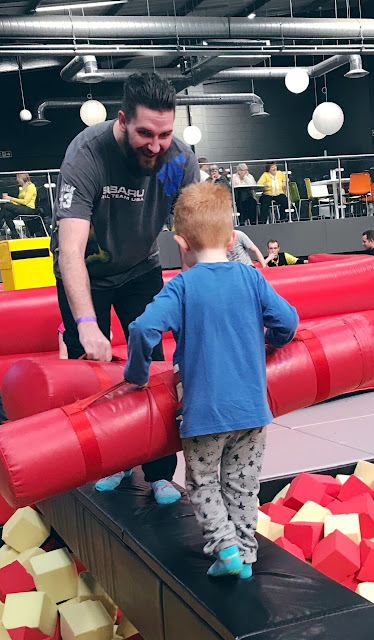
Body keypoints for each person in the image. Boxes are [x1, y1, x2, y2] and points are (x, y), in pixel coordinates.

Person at [124, 181, 298, 579]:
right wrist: (271, 342)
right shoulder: (252, 278)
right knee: (243, 485)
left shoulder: (182, 287)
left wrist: (135, 375)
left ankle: (226, 549)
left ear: (180, 242)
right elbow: (287, 320)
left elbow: (142, 330)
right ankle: (247, 555)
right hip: (253, 411)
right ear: (233, 236)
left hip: (204, 415)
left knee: (204, 484)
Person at [51, 71, 200, 503]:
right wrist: (85, 323)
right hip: (88, 275)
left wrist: (202, 298)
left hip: (139, 270)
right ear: (122, 121)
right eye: (145, 134)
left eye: (165, 133)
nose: (156, 145)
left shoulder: (175, 161)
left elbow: (190, 240)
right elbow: (71, 252)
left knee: (151, 368)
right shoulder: (88, 155)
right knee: (95, 375)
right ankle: (110, 462)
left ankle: (157, 471)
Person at [1, 173, 37, 239]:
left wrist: (11, 198)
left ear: (21, 178)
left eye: (17, 178)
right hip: (22, 207)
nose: (17, 180)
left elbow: (25, 202)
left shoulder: (31, 187)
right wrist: (10, 201)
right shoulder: (22, 188)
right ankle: (15, 234)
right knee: (6, 214)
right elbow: (19, 202)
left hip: (29, 209)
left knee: (5, 206)